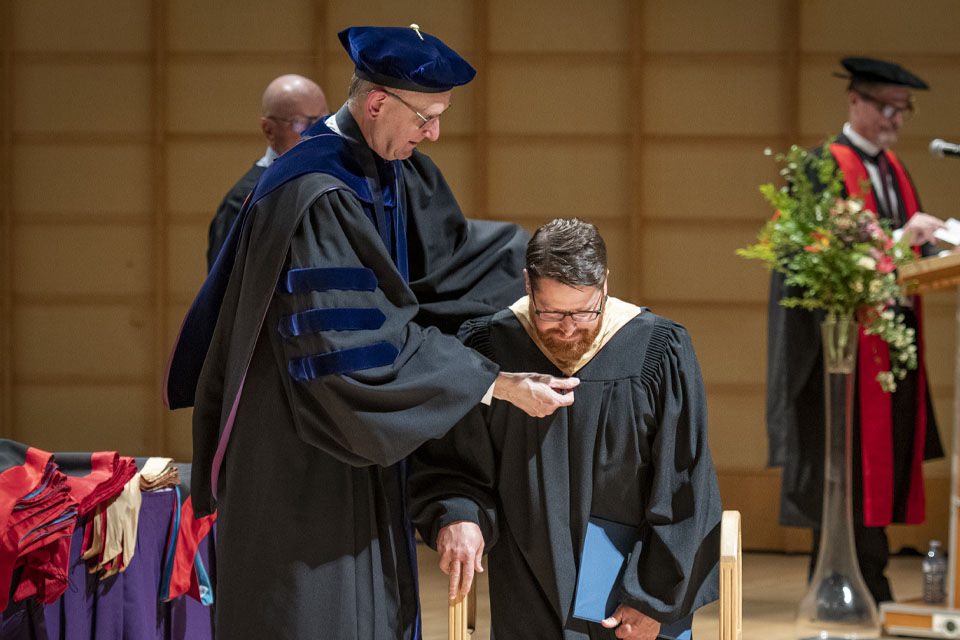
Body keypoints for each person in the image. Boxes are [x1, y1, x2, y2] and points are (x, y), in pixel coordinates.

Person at [163, 25, 580, 639]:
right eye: (427, 115)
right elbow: (349, 349)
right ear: (378, 102)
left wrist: (535, 279)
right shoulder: (314, 194)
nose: (434, 131)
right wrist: (493, 382)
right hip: (303, 453)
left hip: (346, 450)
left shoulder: (384, 171)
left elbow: (440, 268)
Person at [410, 218, 722, 640]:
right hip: (526, 573)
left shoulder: (658, 351)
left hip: (629, 584)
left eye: (583, 311)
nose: (569, 328)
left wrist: (655, 600)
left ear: (605, 285)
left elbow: (686, 482)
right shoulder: (488, 347)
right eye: (552, 312)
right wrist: (458, 515)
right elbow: (453, 464)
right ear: (527, 285)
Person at [767, 56, 945, 604]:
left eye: (903, 109)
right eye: (885, 107)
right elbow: (811, 261)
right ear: (854, 102)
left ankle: (872, 575)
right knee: (839, 468)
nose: (895, 118)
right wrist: (899, 241)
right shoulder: (822, 166)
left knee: (881, 464)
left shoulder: (893, 170)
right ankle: (840, 582)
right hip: (835, 352)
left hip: (885, 351)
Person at [206, 74, 329, 271]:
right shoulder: (244, 199)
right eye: (298, 122)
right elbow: (224, 286)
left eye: (322, 120)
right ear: (268, 129)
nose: (314, 132)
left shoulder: (330, 184)